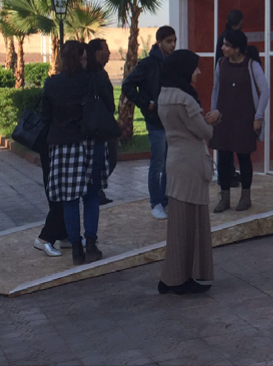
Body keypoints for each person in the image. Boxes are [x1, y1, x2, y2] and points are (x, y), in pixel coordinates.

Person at [43, 41, 112, 266]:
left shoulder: (52, 84)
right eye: (83, 58)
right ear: (81, 58)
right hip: (90, 142)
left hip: (63, 145)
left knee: (69, 199)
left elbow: (45, 116)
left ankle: (75, 248)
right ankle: (91, 243)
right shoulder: (92, 80)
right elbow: (107, 108)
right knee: (91, 195)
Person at [157, 50, 221, 295]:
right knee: (192, 223)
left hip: (174, 161)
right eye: (195, 68)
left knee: (178, 224)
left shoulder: (164, 96)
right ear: (183, 70)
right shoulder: (185, 100)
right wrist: (214, 118)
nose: (198, 72)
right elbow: (205, 132)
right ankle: (183, 277)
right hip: (191, 164)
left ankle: (173, 275)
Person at [122, 25, 177, 220]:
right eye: (169, 41)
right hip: (156, 121)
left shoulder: (174, 62)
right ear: (159, 42)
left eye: (174, 41)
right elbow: (128, 85)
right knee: (158, 163)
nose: (172, 45)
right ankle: (156, 202)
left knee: (170, 163)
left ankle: (166, 199)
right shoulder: (148, 64)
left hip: (171, 120)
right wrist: (146, 104)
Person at [211, 29, 269, 213]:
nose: (223, 48)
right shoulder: (221, 63)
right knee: (223, 157)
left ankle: (245, 197)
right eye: (223, 44)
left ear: (237, 49)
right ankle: (224, 197)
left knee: (244, 157)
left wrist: (258, 117)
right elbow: (215, 88)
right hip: (223, 118)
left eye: (227, 45)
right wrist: (213, 112)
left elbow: (265, 91)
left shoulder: (252, 65)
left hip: (244, 118)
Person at [214, 10, 244, 188]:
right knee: (226, 140)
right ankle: (225, 175)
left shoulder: (223, 36)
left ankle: (228, 172)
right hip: (228, 96)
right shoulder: (230, 39)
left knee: (228, 139)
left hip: (227, 95)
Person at [87, 39, 119, 206]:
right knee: (108, 157)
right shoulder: (94, 74)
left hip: (104, 121)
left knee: (110, 157)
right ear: (97, 53)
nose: (109, 53)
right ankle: (95, 189)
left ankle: (96, 188)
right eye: (106, 49)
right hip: (99, 124)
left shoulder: (101, 72)